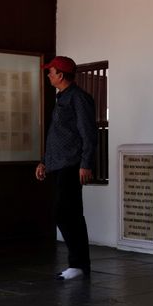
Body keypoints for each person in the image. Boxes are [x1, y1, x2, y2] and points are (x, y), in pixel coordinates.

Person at [35, 56, 97, 280]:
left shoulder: (78, 98)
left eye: (50, 72)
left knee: (66, 214)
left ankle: (78, 264)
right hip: (58, 165)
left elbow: (88, 133)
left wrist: (86, 163)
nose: (49, 76)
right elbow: (57, 136)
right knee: (67, 214)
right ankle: (79, 265)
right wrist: (45, 161)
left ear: (60, 75)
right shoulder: (62, 98)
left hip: (71, 165)